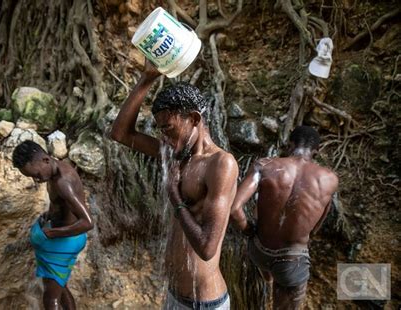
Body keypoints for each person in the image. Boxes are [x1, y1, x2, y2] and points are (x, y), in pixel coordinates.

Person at [110, 60, 238, 309]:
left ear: (193, 118)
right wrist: (147, 79)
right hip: (175, 296)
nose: (166, 140)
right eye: (161, 132)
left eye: (169, 129)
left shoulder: (221, 164)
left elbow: (207, 248)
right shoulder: (177, 154)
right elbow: (121, 134)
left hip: (204, 304)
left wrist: (175, 196)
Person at [230, 126, 339, 309]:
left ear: (290, 144)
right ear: (316, 151)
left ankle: (269, 278)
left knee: (267, 266)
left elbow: (234, 209)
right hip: (291, 260)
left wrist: (249, 231)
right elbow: (317, 224)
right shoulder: (330, 179)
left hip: (259, 250)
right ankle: (277, 282)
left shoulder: (264, 166)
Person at [12, 140, 94, 310]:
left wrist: (52, 234)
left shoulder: (62, 183)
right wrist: (50, 215)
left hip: (65, 242)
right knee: (60, 287)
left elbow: (87, 223)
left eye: (36, 174)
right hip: (64, 239)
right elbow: (60, 203)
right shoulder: (56, 170)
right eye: (31, 177)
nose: (36, 179)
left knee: (50, 298)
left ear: (46, 160)